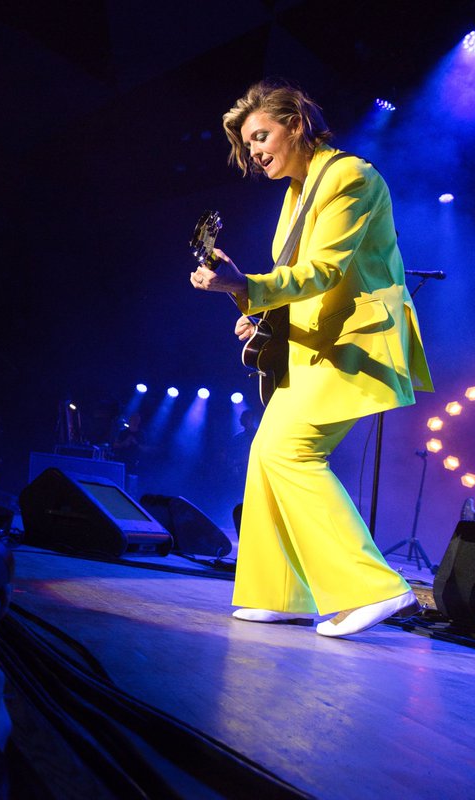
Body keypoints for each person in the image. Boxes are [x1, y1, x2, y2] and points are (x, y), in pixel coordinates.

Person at [190, 78, 433, 638]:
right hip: (311, 345)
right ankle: (281, 593)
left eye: (260, 136)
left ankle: (373, 588)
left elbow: (324, 271)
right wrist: (258, 313)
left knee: (290, 452)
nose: (253, 152)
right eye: (247, 144)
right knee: (265, 456)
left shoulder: (350, 176)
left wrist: (243, 285)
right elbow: (305, 286)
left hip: (354, 343)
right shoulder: (296, 191)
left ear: (296, 124)